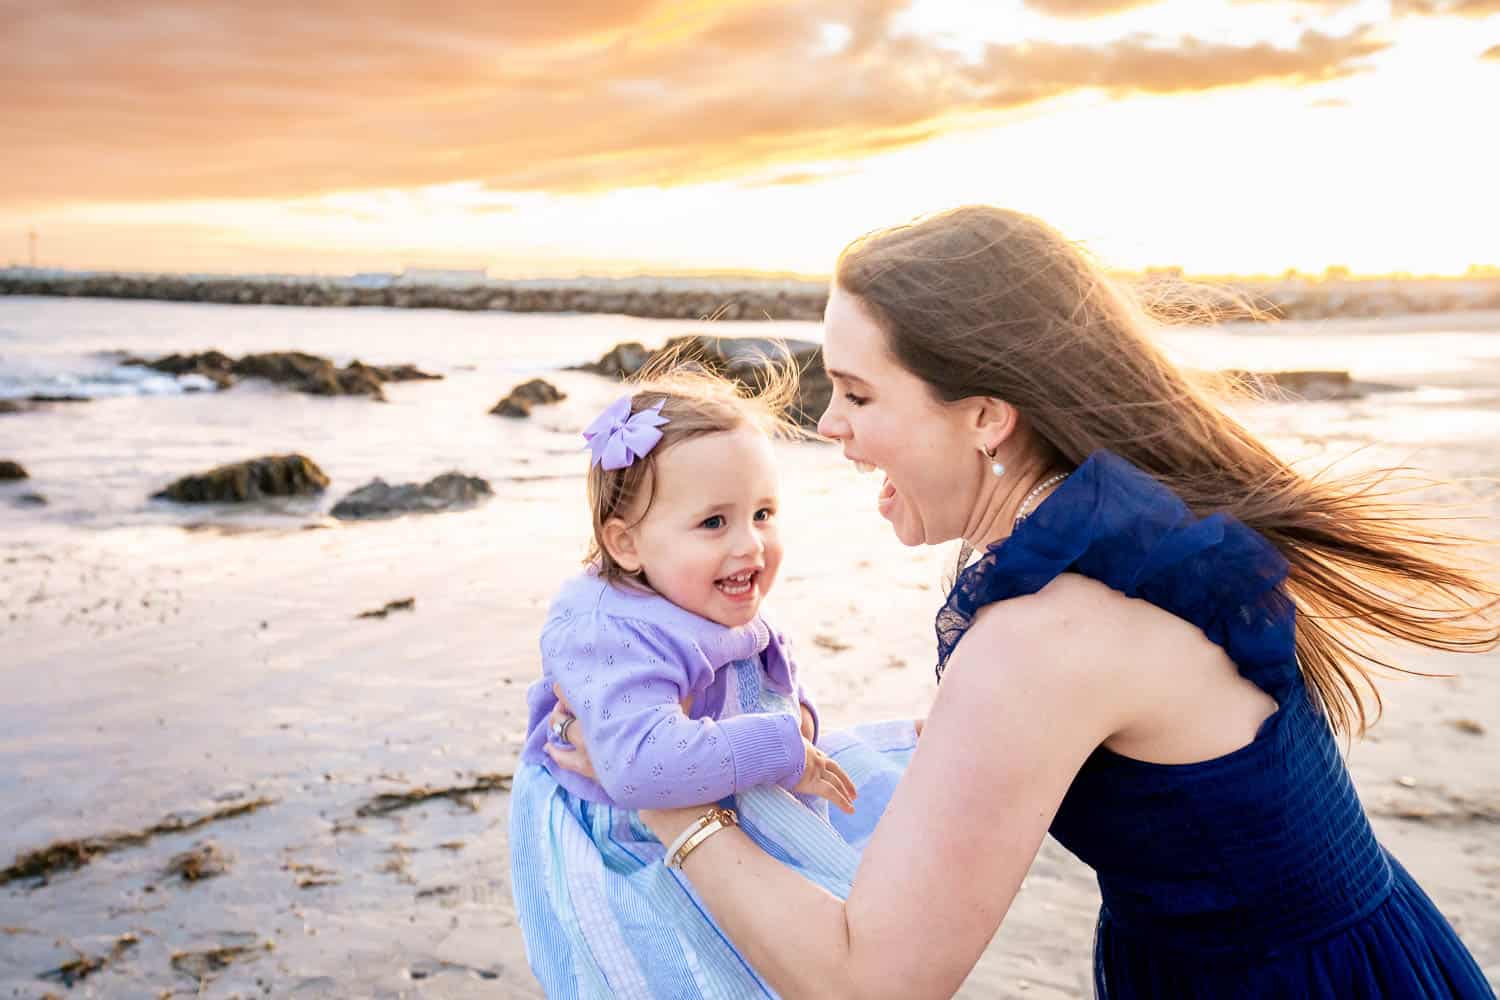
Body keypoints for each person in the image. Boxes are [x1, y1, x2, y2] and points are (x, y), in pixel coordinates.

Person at [545, 205, 1500, 998]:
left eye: (859, 394)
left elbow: (868, 982)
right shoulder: (1139, 530)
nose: (829, 425)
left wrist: (670, 810)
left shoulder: (1047, 634)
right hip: (1359, 957)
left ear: (988, 417)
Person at [509, 370, 919, 999]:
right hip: (633, 846)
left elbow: (772, 690)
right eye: (713, 523)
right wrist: (784, 749)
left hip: (720, 797)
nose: (750, 544)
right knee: (692, 973)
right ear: (626, 543)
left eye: (762, 513)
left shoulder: (702, 595)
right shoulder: (609, 632)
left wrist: (798, 727)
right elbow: (640, 766)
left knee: (901, 800)